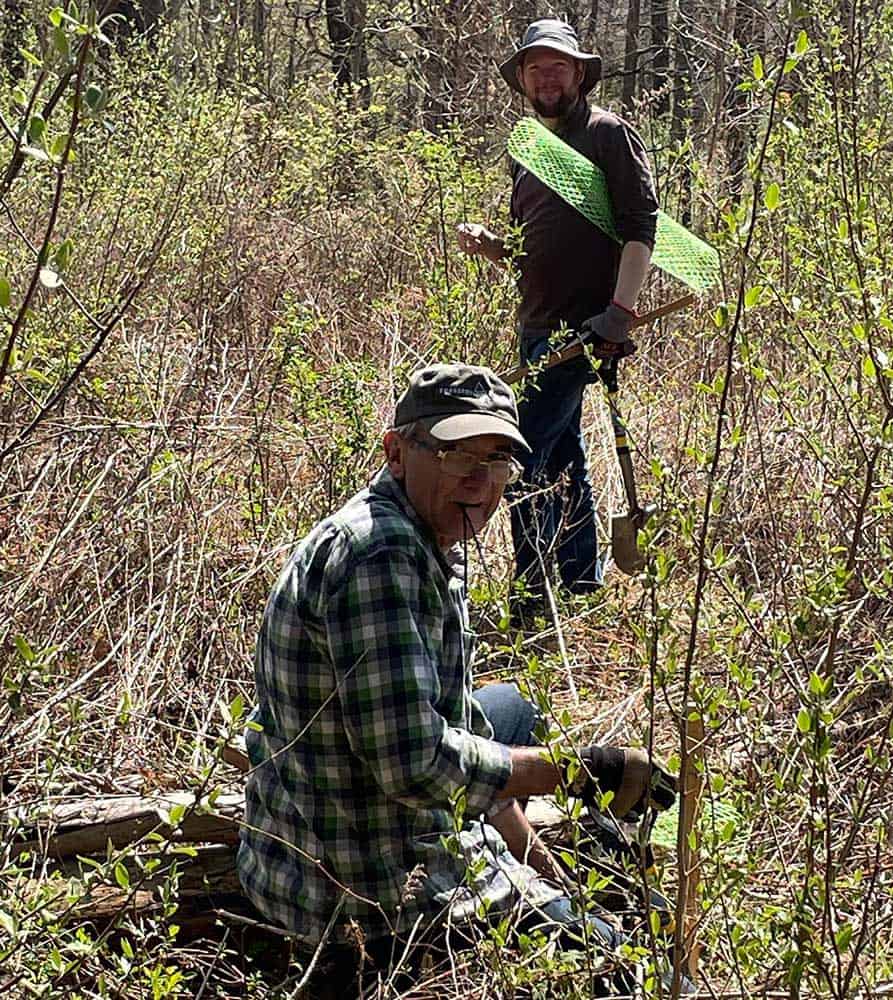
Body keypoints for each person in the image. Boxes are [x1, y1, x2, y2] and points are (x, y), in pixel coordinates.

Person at [236, 362, 675, 991]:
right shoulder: (378, 557)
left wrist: (533, 860)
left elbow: (455, 718)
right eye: (453, 453)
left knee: (511, 710)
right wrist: (583, 770)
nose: (479, 479)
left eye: (497, 460)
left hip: (326, 812)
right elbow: (415, 765)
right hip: (364, 894)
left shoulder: (423, 535)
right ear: (396, 451)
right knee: (614, 967)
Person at [458, 19, 659, 626]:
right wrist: (493, 245)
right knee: (565, 454)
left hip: (587, 328)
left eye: (558, 67)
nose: (546, 78)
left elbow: (639, 228)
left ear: (579, 73)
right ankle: (579, 582)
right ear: (522, 79)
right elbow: (535, 248)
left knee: (523, 455)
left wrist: (618, 315)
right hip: (537, 325)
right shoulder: (527, 149)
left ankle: (531, 595)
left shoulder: (606, 134)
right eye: (535, 68)